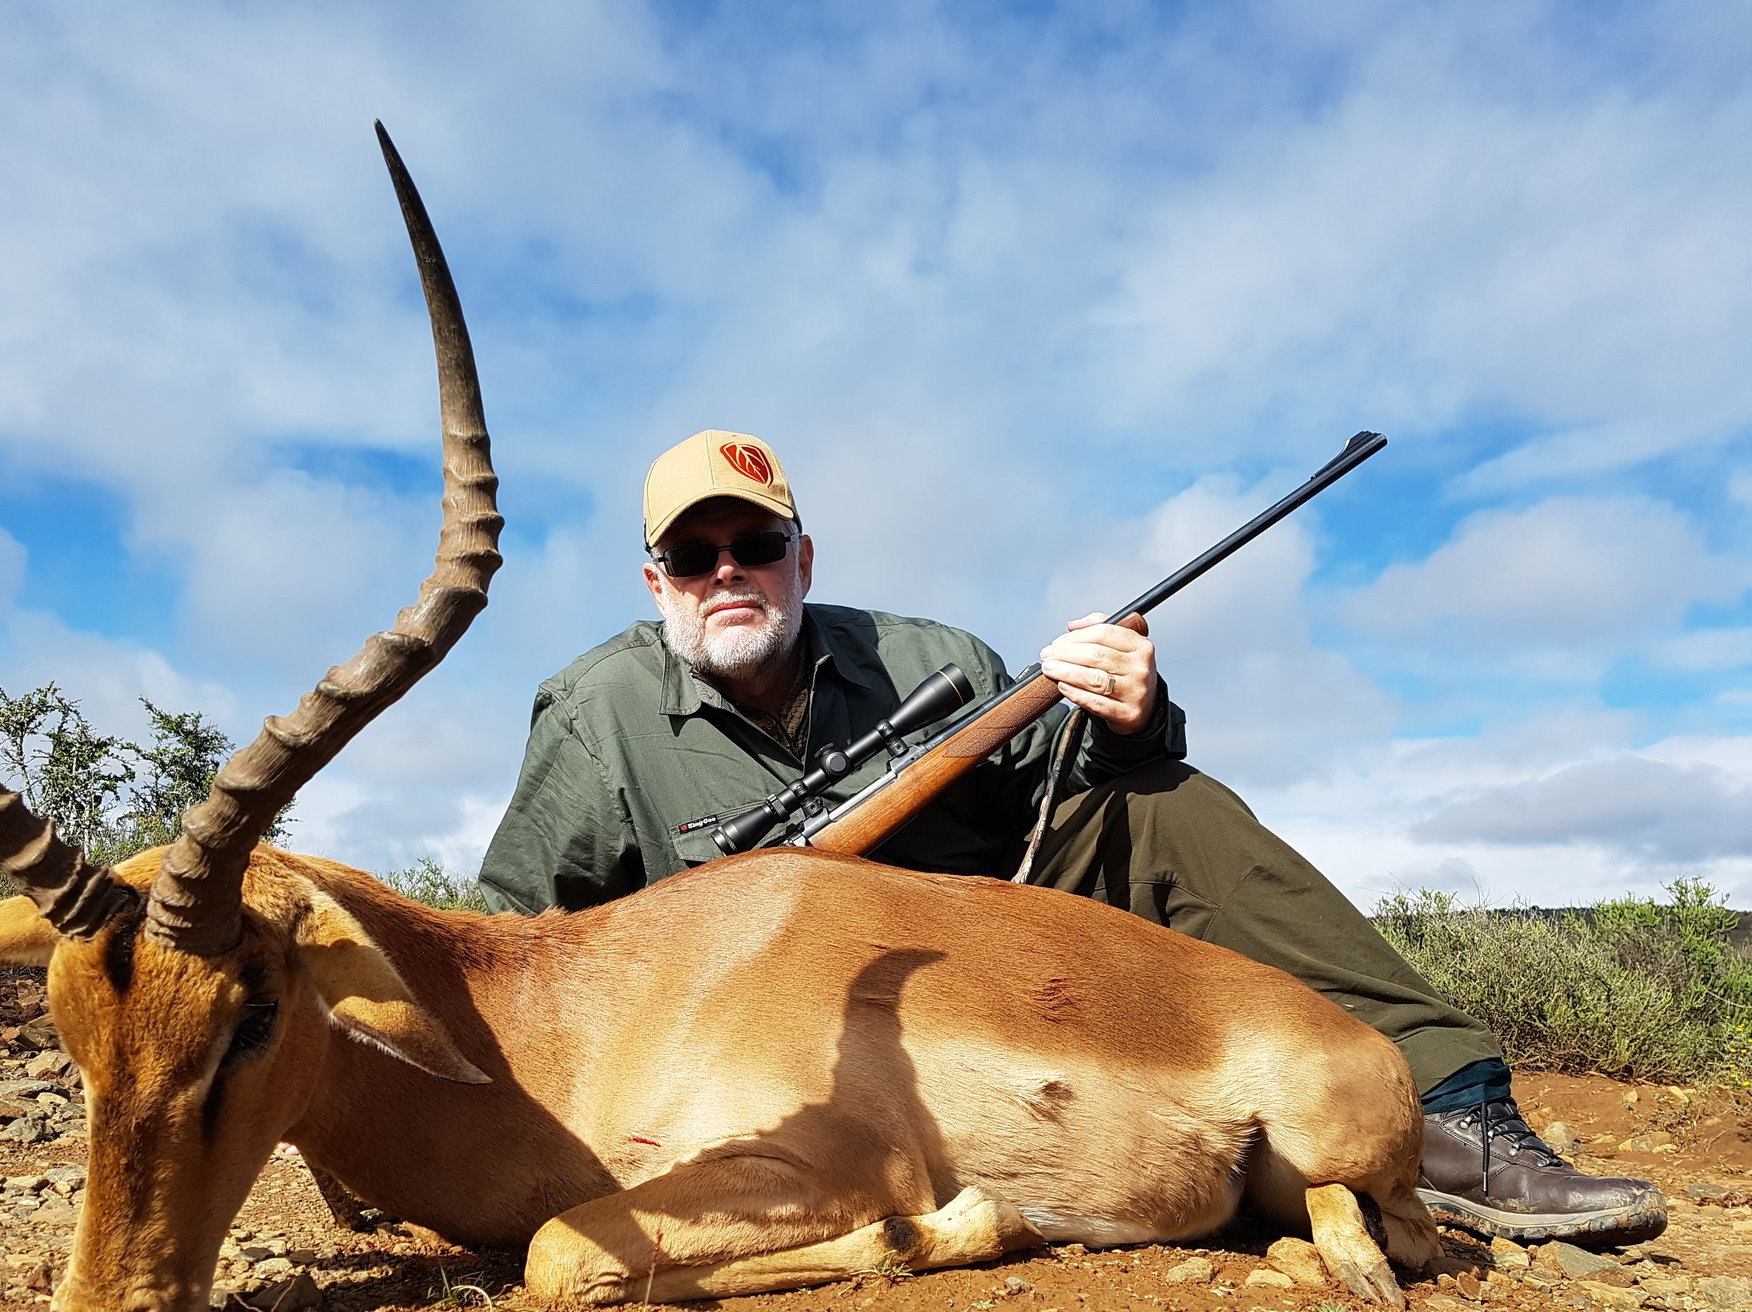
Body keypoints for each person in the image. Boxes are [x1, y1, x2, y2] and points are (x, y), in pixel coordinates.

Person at [479, 428, 1667, 1247]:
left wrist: (1131, 710)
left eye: (755, 546)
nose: (727, 573)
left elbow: (1079, 781)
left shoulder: (932, 662)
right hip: (759, 1053)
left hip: (981, 982)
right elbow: (512, 946)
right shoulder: (597, 714)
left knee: (1163, 805)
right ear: (655, 581)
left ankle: (1456, 1108)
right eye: (696, 556)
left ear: (804, 558)